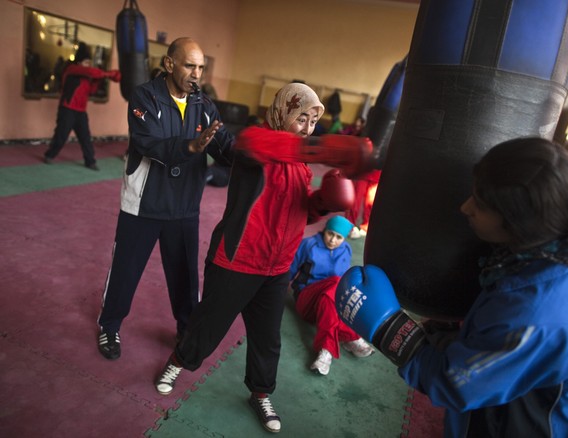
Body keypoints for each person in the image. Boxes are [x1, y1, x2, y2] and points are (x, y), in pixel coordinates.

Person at [337, 137, 568, 437]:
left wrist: (389, 328)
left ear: (517, 220)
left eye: (480, 203)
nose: (465, 207)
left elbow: (454, 383)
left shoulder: (534, 318)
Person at [154, 82, 372, 433]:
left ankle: (260, 392)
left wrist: (325, 202)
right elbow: (252, 145)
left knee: (267, 339)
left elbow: (301, 212)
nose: (307, 128)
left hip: (278, 267)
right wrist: (327, 147)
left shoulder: (301, 165)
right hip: (238, 260)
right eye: (301, 118)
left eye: (313, 122)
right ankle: (178, 362)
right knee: (208, 327)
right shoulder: (256, 141)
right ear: (284, 111)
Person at [96, 37, 234, 361]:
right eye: (190, 66)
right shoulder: (145, 96)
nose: (196, 74)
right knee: (125, 272)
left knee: (186, 277)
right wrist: (190, 146)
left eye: (201, 67)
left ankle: (186, 329)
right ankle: (109, 325)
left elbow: (223, 145)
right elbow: (148, 143)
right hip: (144, 202)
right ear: (170, 64)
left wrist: (255, 153)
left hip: (184, 205)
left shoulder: (203, 103)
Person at [289, 215, 374, 376]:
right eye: (330, 234)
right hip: (306, 300)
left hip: (326, 308)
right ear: (325, 230)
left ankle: (326, 350)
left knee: (335, 291)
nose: (333, 240)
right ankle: (349, 336)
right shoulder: (309, 244)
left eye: (339, 237)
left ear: (344, 238)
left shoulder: (346, 250)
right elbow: (290, 269)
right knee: (336, 282)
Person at [43, 42, 121, 170]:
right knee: (61, 135)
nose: (88, 64)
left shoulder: (87, 77)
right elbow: (92, 72)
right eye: (86, 62)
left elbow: (91, 91)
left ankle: (90, 162)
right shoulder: (71, 69)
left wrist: (98, 80)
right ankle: (49, 155)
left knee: (85, 138)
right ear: (79, 62)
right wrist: (110, 74)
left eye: (89, 62)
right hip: (67, 109)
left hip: (80, 112)